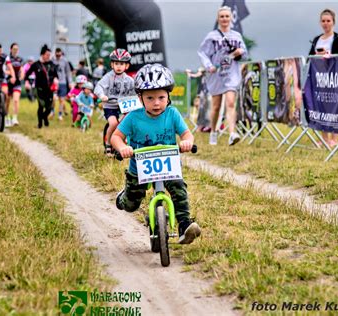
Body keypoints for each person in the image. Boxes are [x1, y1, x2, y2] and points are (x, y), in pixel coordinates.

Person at [111, 63, 201, 244]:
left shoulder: (172, 114)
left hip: (168, 166)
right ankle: (123, 198)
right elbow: (116, 136)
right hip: (139, 167)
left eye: (161, 97)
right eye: (150, 98)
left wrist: (186, 142)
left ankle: (184, 225)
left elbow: (186, 134)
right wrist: (122, 148)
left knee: (178, 190)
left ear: (168, 96)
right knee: (131, 205)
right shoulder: (134, 117)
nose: (156, 103)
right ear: (140, 98)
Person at [198, 6, 248, 146]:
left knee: (231, 102)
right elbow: (202, 53)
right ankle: (213, 131)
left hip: (231, 73)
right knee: (216, 106)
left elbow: (245, 53)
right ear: (218, 19)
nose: (225, 19)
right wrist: (209, 66)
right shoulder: (212, 36)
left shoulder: (237, 36)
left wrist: (240, 52)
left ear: (231, 18)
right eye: (222, 16)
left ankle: (232, 133)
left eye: (227, 16)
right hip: (216, 75)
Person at [308, 8, 338, 148]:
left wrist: (327, 54)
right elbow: (309, 57)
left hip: (334, 78)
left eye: (328, 21)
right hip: (319, 78)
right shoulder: (316, 40)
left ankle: (334, 139)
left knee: (335, 106)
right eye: (323, 21)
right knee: (321, 107)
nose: (326, 23)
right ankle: (324, 138)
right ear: (320, 23)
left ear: (333, 22)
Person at [94, 48, 135, 156]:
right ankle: (108, 143)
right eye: (116, 63)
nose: (119, 66)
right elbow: (99, 86)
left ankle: (120, 142)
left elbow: (137, 90)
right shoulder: (108, 77)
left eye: (122, 64)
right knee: (113, 123)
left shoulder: (129, 80)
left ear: (127, 66)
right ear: (112, 64)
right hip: (110, 105)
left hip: (123, 105)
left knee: (126, 123)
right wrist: (102, 95)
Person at [24, 44, 59, 128]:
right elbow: (27, 75)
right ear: (42, 55)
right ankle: (40, 124)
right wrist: (27, 82)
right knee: (41, 106)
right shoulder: (36, 64)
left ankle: (44, 117)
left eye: (49, 55)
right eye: (47, 55)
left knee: (49, 107)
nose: (48, 56)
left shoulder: (52, 64)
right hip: (39, 89)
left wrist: (55, 79)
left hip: (49, 89)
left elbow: (56, 75)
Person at [4, 43, 24, 127]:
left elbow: (22, 70)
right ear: (10, 49)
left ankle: (15, 118)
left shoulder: (20, 59)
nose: (15, 50)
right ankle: (7, 117)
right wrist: (11, 75)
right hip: (8, 81)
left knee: (16, 100)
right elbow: (4, 70)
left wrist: (21, 77)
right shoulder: (7, 59)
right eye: (14, 49)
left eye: (17, 49)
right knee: (7, 101)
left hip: (17, 82)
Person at [52, 48, 73, 121]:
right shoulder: (52, 60)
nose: (58, 55)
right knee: (53, 98)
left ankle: (60, 114)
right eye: (56, 54)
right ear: (55, 53)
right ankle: (52, 111)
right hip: (54, 83)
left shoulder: (65, 61)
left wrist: (70, 82)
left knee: (62, 100)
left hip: (63, 83)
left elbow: (68, 72)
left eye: (59, 54)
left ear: (61, 53)